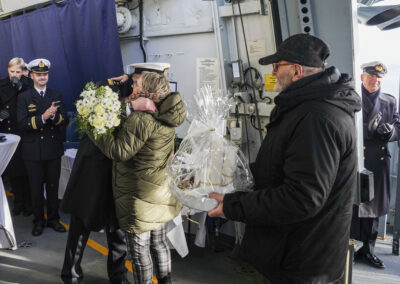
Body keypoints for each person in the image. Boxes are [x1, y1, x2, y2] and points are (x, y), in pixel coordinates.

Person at [208, 33, 362, 283]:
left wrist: (232, 206)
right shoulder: (306, 109)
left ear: (297, 71)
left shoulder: (316, 119)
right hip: (296, 251)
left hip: (303, 260)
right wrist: (232, 175)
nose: (273, 71)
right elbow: (280, 166)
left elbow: (302, 198)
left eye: (277, 66)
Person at [59, 64, 166, 284]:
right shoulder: (115, 91)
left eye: (139, 83)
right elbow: (93, 106)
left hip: (121, 175)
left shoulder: (152, 101)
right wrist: (123, 96)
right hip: (93, 169)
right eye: (135, 81)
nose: (136, 87)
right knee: (81, 222)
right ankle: (70, 273)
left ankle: (118, 276)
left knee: (118, 228)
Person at [89, 71, 185, 284]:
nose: (132, 89)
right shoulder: (168, 114)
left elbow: (119, 152)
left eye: (137, 86)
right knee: (159, 244)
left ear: (148, 94)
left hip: (139, 197)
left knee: (140, 253)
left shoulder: (142, 120)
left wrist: (94, 129)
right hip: (160, 193)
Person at [350, 61, 400, 269]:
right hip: (355, 160)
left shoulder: (389, 101)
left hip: (378, 164)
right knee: (353, 207)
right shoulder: (351, 98)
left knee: (373, 209)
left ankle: (368, 251)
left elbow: (398, 124)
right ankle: (350, 248)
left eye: (378, 78)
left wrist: (391, 133)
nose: (374, 80)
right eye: (370, 76)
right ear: (362, 77)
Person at [17, 58, 68, 236]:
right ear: (31, 76)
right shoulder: (23, 97)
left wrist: (54, 117)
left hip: (52, 149)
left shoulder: (56, 95)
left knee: (53, 187)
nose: (42, 77)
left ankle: (53, 219)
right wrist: (43, 117)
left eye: (45, 74)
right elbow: (22, 124)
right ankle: (39, 221)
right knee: (36, 189)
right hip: (32, 151)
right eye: (38, 74)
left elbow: (65, 121)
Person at [0, 57, 33, 216]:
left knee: (26, 171)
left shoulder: (27, 86)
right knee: (13, 172)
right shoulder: (1, 84)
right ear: (8, 70)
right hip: (9, 132)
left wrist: (21, 89)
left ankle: (28, 204)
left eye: (18, 72)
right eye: (12, 71)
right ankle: (18, 203)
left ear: (23, 72)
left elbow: (33, 107)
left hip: (24, 133)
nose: (14, 74)